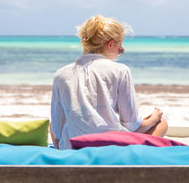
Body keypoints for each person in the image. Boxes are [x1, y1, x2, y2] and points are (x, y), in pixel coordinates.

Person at [50, 15, 168, 149]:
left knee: (53, 123)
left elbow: (57, 130)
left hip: (73, 146)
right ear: (110, 44)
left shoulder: (61, 74)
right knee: (161, 123)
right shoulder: (120, 70)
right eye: (120, 49)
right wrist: (154, 118)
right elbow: (131, 124)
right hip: (110, 147)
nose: (119, 52)